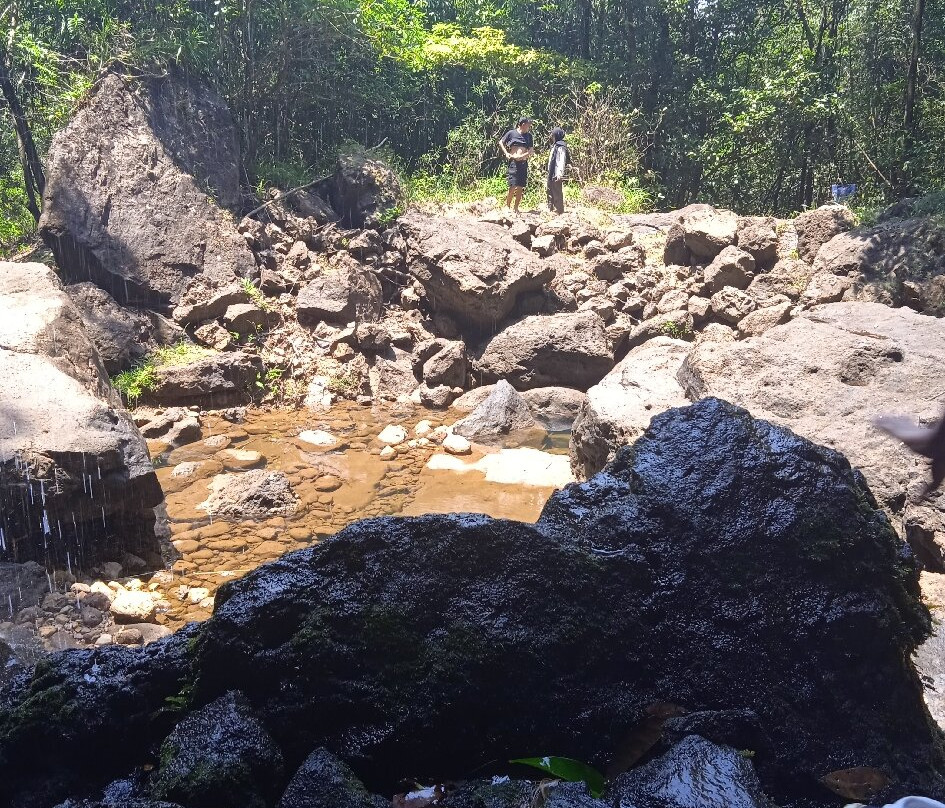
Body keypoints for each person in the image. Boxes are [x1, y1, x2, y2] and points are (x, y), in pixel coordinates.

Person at [499, 117, 533, 212]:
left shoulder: (529, 136)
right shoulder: (512, 133)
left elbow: (531, 150)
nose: (529, 127)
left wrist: (523, 155)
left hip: (523, 162)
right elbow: (501, 142)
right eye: (528, 125)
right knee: (512, 185)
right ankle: (507, 206)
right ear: (522, 124)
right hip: (513, 162)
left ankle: (516, 208)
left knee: (520, 186)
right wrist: (506, 153)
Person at [546, 126, 569, 214]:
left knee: (557, 191)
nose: (552, 136)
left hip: (556, 172)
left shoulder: (561, 146)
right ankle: (550, 208)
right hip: (551, 172)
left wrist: (559, 173)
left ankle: (559, 210)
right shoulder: (555, 145)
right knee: (550, 189)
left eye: (553, 135)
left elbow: (561, 160)